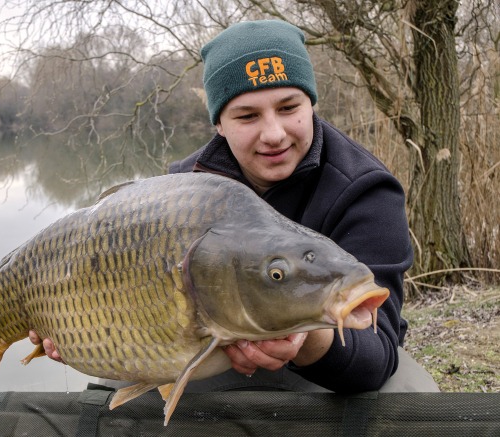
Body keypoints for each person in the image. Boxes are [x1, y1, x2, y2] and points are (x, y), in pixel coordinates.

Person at [30, 19, 438, 392]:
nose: (274, 133)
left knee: (409, 391)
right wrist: (79, 328)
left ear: (311, 102)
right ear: (219, 124)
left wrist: (302, 336)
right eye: (247, 116)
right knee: (110, 385)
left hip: (324, 368)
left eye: (289, 107)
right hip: (202, 348)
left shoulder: (366, 190)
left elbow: (377, 354)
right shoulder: (185, 190)